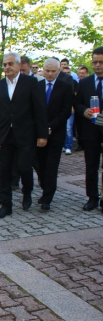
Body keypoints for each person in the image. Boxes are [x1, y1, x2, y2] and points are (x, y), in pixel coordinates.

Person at [0, 52, 48, 218]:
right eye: (4, 65)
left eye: (10, 64)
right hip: (4, 135)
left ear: (18, 65)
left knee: (24, 167)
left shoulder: (31, 83)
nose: (7, 67)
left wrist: (42, 135)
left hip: (26, 134)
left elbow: (40, 109)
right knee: (4, 170)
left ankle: (27, 192)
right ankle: (5, 205)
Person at [36, 58, 73, 210]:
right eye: (47, 71)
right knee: (40, 165)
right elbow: (34, 110)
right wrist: (41, 129)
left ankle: (47, 199)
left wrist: (50, 127)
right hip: (39, 133)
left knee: (51, 166)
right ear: (43, 70)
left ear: (58, 71)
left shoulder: (65, 87)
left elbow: (65, 111)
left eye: (53, 71)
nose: (50, 74)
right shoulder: (37, 86)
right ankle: (45, 189)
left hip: (56, 133)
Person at [75, 47, 103, 211]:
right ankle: (92, 197)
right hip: (90, 130)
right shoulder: (85, 82)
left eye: (101, 62)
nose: (97, 65)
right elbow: (77, 103)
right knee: (91, 165)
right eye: (95, 62)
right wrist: (83, 109)